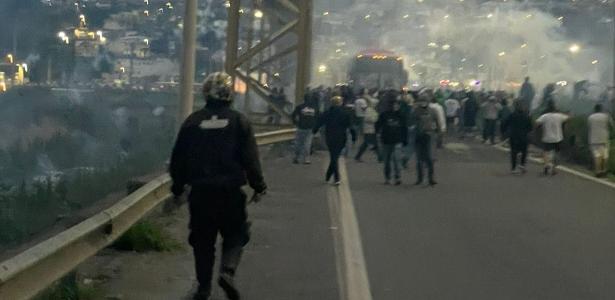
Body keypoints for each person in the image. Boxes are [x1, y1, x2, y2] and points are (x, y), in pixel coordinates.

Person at [169, 72, 267, 300]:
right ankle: (227, 271)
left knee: (202, 241)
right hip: (230, 192)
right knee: (236, 234)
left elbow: (178, 159)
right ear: (230, 95)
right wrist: (258, 185)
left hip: (201, 193)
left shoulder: (192, 122)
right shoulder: (239, 121)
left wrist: (177, 189)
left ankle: (203, 287)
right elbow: (250, 158)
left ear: (205, 93)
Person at [313, 96, 356, 185]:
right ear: (340, 103)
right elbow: (351, 126)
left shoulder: (327, 113)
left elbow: (319, 122)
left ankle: (329, 175)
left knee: (334, 156)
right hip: (341, 137)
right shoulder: (345, 113)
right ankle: (336, 178)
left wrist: (314, 131)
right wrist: (354, 136)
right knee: (335, 156)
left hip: (330, 136)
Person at [376, 99, 408, 185]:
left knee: (397, 160)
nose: (396, 106)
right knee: (387, 161)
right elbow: (378, 125)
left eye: (397, 105)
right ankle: (387, 177)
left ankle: (398, 177)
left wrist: (405, 140)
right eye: (394, 105)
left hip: (398, 141)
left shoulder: (401, 116)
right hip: (386, 141)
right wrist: (378, 135)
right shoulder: (384, 115)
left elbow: (404, 129)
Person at [413, 94, 440, 186]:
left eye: (424, 101)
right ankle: (420, 178)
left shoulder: (433, 111)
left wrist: (438, 132)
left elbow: (437, 122)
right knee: (419, 159)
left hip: (428, 135)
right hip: (418, 136)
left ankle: (431, 178)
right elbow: (412, 122)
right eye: (421, 101)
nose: (423, 103)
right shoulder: (416, 111)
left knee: (429, 158)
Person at [535, 101, 569, 176]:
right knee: (557, 153)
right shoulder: (559, 116)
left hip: (547, 137)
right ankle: (554, 169)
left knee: (546, 152)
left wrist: (540, 128)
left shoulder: (544, 116)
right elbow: (568, 118)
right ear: (555, 108)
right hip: (558, 138)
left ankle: (546, 165)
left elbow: (537, 122)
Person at [502, 101, 533, 174]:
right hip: (524, 137)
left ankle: (513, 168)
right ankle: (522, 165)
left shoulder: (512, 115)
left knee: (514, 152)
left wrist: (504, 131)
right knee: (524, 151)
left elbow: (505, 123)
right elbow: (530, 128)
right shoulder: (526, 116)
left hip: (514, 136)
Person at [587, 104, 614, 177]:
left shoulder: (590, 117)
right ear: (601, 109)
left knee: (597, 155)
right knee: (605, 155)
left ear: (595, 109)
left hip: (593, 139)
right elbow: (612, 126)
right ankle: (604, 170)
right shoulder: (606, 116)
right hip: (604, 138)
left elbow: (589, 127)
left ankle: (598, 171)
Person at [291, 95, 319, 164]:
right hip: (310, 128)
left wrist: (295, 123)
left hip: (301, 127)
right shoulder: (315, 108)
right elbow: (318, 117)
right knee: (307, 144)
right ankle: (306, 159)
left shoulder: (300, 107)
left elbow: (293, 115)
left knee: (298, 143)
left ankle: (296, 158)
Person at [355, 97, 381, 162]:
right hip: (369, 129)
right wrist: (375, 119)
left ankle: (380, 157)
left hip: (370, 129)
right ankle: (380, 157)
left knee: (368, 144)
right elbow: (368, 119)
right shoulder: (369, 110)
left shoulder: (371, 109)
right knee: (371, 144)